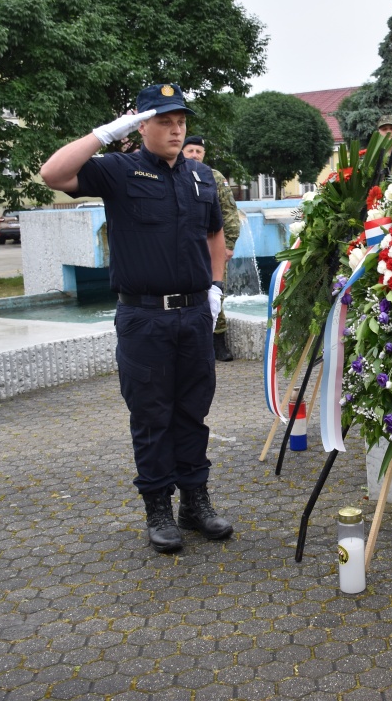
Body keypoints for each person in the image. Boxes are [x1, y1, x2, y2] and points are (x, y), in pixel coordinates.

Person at [40, 83, 233, 553]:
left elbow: (215, 237)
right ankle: (158, 508)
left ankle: (195, 503)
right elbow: (53, 173)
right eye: (164, 121)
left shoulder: (200, 176)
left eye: (180, 121)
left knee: (193, 412)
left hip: (194, 315)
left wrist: (216, 288)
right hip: (144, 319)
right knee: (151, 416)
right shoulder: (118, 170)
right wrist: (107, 132)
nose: (176, 130)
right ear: (141, 126)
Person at [182, 135, 240, 361]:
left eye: (199, 151)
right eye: (190, 151)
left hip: (212, 246)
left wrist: (229, 245)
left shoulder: (213, 177)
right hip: (183, 247)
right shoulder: (174, 174)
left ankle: (218, 342)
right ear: (182, 152)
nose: (194, 155)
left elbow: (229, 212)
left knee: (216, 292)